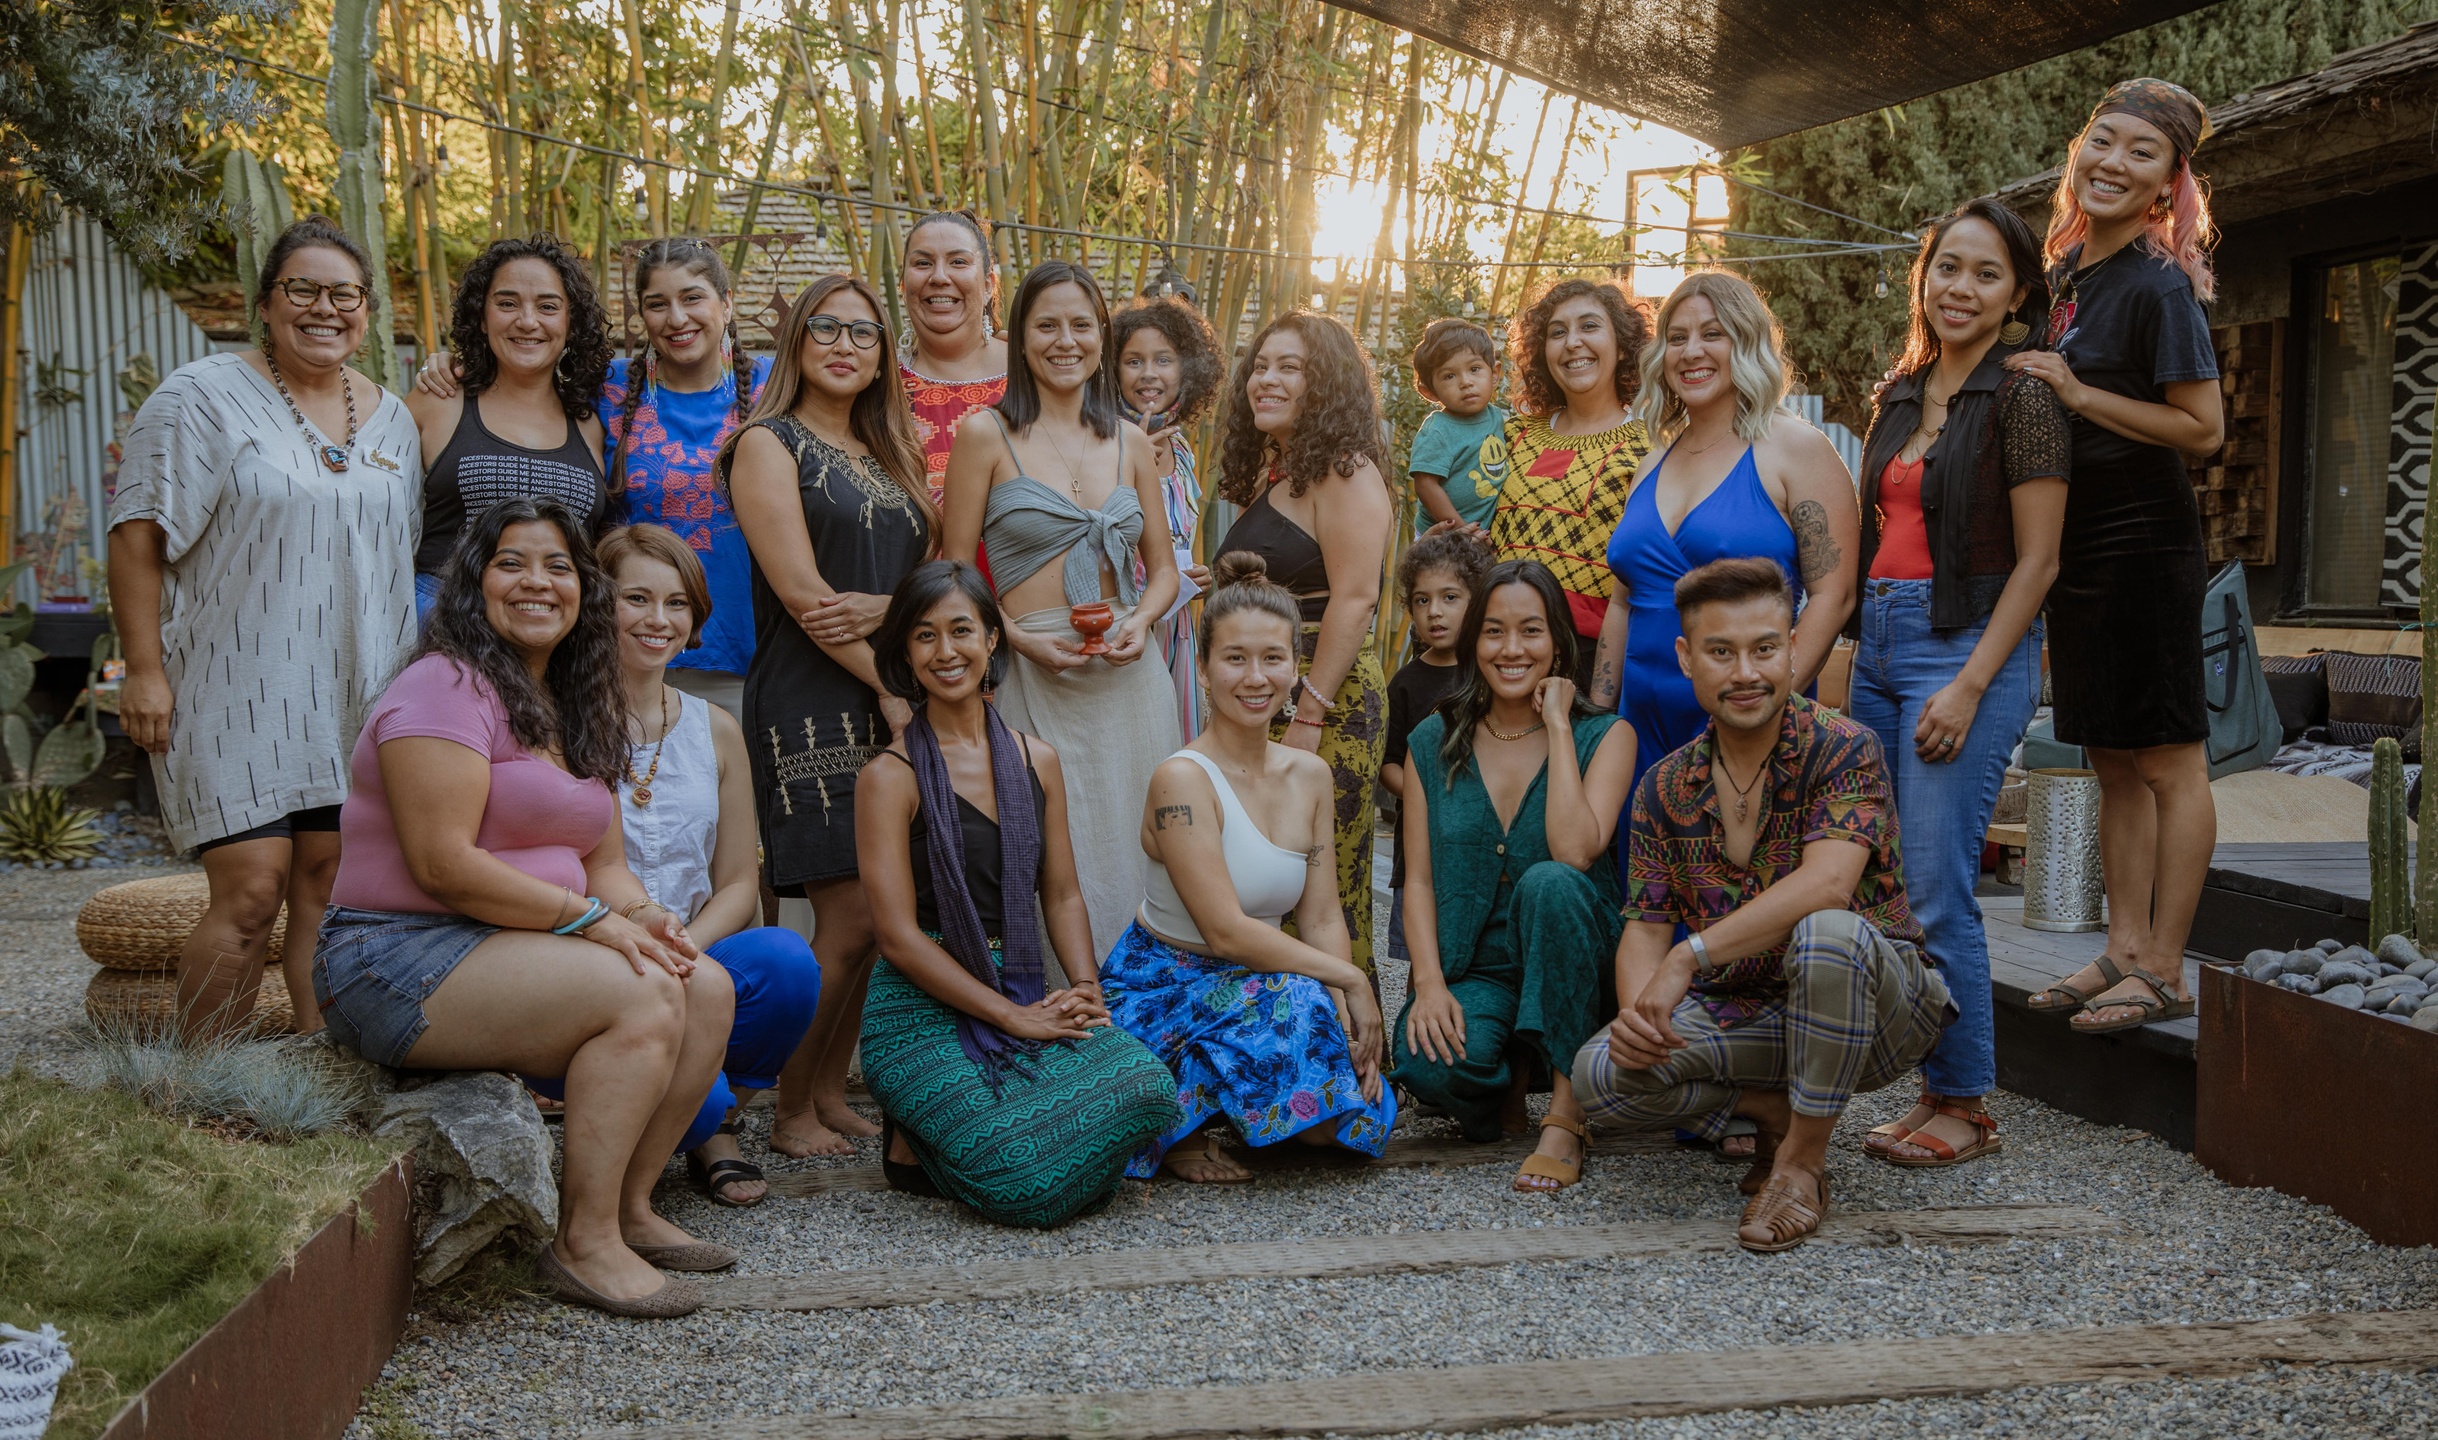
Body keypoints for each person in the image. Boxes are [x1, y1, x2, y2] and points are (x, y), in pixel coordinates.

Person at [316, 498, 735, 1316]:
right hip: (396, 954)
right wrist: (593, 923)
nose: (536, 582)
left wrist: (641, 915)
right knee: (642, 994)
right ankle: (584, 1244)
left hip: (502, 946)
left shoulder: (572, 702)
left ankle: (628, 1208)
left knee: (705, 985)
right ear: (475, 583)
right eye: (511, 563)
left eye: (557, 566)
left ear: (583, 589)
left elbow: (603, 863)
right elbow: (444, 865)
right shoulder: (445, 686)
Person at [1573, 558, 1950, 1253]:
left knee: (1828, 933)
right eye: (1721, 652)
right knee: (1603, 1075)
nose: (1746, 672)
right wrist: (1640, 1023)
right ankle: (1778, 1111)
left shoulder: (1845, 748)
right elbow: (1646, 928)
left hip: (1877, 1007)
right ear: (1686, 658)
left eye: (1765, 649)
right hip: (1750, 1012)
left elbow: (1828, 885)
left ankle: (1801, 1166)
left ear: (1793, 648)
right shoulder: (1664, 786)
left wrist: (1690, 958)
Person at [108, 216, 422, 1041]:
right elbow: (137, 532)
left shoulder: (394, 419)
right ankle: (203, 1087)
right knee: (250, 893)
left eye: (344, 294)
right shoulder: (200, 396)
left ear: (367, 310)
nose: (325, 309)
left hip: (356, 691)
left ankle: (322, 1077)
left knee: (327, 885)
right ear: (266, 303)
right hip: (231, 686)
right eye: (303, 289)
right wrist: (144, 668)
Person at [855, 560, 1179, 1225]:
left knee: (1148, 1087)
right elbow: (897, 938)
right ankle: (923, 1137)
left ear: (992, 638)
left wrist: (1085, 988)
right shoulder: (889, 776)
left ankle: (950, 1139)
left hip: (1020, 981)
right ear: (905, 653)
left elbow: (1061, 894)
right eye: (923, 636)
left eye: (960, 630)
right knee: (1025, 1180)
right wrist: (1011, 1018)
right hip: (919, 1005)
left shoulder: (1038, 759)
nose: (945, 651)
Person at [1847, 200, 2069, 1167]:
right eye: (1947, 268)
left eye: (1986, 274)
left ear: (2018, 294)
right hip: (1880, 647)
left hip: (1967, 647)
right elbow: (1875, 540)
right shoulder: (1899, 395)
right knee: (1888, 882)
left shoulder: (2025, 397)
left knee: (1939, 886)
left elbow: (2040, 561)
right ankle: (1931, 1087)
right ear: (1924, 276)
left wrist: (1972, 685)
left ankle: (1966, 1103)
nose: (1961, 288)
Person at [2007, 79, 2224, 1038]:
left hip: (2145, 540)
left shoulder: (2155, 283)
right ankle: (2125, 948)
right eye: (2104, 140)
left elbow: (2203, 430)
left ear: (2168, 185)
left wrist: (2080, 395)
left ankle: (2167, 966)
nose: (2114, 161)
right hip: (2077, 545)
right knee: (2111, 762)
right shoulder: (2066, 277)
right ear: (2079, 151)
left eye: (2143, 152)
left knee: (2170, 762)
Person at [722, 274, 940, 1156]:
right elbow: (804, 595)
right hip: (811, 698)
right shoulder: (766, 444)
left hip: (893, 692)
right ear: (796, 342)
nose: (845, 345)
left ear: (884, 355)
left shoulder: (893, 454)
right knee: (846, 916)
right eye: (826, 328)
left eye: (863, 332)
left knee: (883, 919)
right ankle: (786, 1110)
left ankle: (824, 1090)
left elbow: (919, 588)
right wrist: (888, 684)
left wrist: (892, 622)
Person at [549, 524, 823, 1207]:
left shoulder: (717, 730)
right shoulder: (554, 722)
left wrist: (685, 950)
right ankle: (700, 1121)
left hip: (694, 953)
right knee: (689, 1103)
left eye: (677, 603)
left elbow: (738, 884)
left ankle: (713, 1120)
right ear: (598, 603)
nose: (658, 620)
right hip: (592, 953)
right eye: (636, 599)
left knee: (789, 964)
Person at [1101, 554, 1396, 1184]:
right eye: (1235, 658)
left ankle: (1228, 1111)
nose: (1255, 677)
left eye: (1272, 658)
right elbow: (1225, 932)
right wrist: (1351, 979)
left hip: (1261, 984)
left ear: (1296, 668)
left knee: (1348, 1120)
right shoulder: (1181, 779)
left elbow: (1321, 916)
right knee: (1301, 1013)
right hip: (1166, 988)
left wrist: (1342, 1014)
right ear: (1204, 670)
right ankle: (1190, 1113)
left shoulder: (1310, 775)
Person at [415, 237, 770, 716]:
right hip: (614, 643)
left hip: (744, 644)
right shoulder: (608, 390)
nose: (676, 318)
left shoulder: (777, 387)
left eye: (692, 298)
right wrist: (446, 363)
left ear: (726, 304)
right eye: (657, 304)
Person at [942, 260, 1183, 966]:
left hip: (1129, 675)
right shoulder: (983, 435)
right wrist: (1015, 640)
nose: (1065, 340)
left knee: (1145, 848)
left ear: (1102, 338)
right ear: (1019, 337)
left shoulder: (1132, 441)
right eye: (1047, 325)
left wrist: (1140, 621)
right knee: (1050, 854)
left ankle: (1144, 1009)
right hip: (1033, 672)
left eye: (1081, 325)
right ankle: (1066, 1012)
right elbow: (955, 577)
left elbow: (1163, 573)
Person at [1394, 561, 1637, 1192]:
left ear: (1558, 640)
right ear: (1473, 639)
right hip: (1479, 969)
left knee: (1551, 881)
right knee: (1426, 1064)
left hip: (1579, 960)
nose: (1511, 649)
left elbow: (1575, 851)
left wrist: (1557, 725)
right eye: (1494, 631)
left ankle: (1566, 1111)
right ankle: (1513, 1067)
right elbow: (1418, 881)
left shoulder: (1605, 735)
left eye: (1530, 631)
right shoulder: (1431, 741)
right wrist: (1428, 986)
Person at [1595, 271, 1860, 801]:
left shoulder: (1796, 449)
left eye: (1713, 334)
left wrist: (1767, 707)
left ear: (1747, 342)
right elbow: (1623, 603)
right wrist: (1598, 718)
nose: (1691, 351)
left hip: (1748, 722)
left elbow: (1835, 597)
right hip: (1638, 730)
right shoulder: (1649, 465)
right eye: (1677, 337)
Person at [1212, 311, 1396, 974]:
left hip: (1326, 697)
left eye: (1289, 367)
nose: (1266, 379)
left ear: (1326, 385)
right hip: (1269, 689)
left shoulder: (1346, 472)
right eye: (1260, 365)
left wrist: (1311, 711)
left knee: (1323, 882)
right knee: (1266, 879)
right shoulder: (1280, 473)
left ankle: (1344, 1031)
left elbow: (1355, 597)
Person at [405, 234, 613, 618]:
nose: (527, 321)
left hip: (550, 629)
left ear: (571, 323)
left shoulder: (592, 424)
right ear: (481, 317)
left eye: (548, 306)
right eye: (507, 304)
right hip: (443, 622)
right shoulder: (437, 401)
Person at [1482, 278, 1653, 689]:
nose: (1573, 342)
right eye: (1557, 332)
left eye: (1589, 326)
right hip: (1500, 651)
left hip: (1591, 657)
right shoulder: (1512, 435)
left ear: (1623, 345)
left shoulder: (1651, 446)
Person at [1114, 292, 1224, 740]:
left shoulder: (1181, 449)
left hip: (1176, 629)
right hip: (1125, 625)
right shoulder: (1104, 442)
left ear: (1187, 371)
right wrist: (1128, 461)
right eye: (1133, 361)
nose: (1149, 373)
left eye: (1164, 360)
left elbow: (1178, 538)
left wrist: (1196, 576)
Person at [1380, 529, 1490, 965]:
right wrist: (1425, 794)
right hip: (1422, 846)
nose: (1434, 612)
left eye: (1450, 597)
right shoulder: (1406, 683)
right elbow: (1388, 763)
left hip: (1481, 840)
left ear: (1478, 601)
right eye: (1422, 601)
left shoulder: (1491, 673)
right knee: (1421, 956)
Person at [899, 210, 1011, 505]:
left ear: (988, 285)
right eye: (923, 263)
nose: (939, 277)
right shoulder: (876, 385)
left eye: (958, 262)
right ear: (903, 286)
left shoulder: (1034, 376)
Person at [1406, 318, 1509, 539]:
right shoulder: (1438, 430)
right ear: (1430, 392)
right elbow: (1425, 486)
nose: (1466, 382)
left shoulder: (1496, 417)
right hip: (1442, 537)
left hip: (1481, 534)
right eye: (1449, 376)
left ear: (1494, 374)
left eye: (1474, 369)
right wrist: (1463, 531)